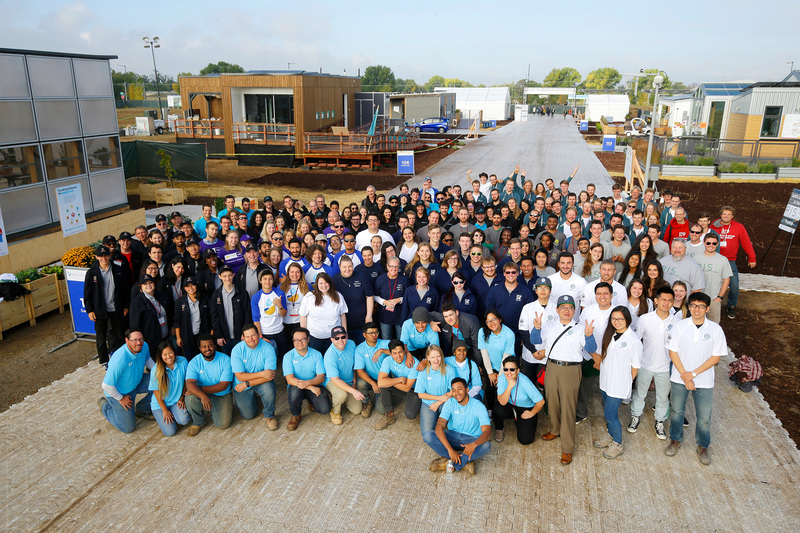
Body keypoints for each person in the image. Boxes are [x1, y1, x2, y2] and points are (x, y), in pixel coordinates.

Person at [531, 295, 598, 465]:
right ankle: (554, 429)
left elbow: (591, 349)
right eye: (563, 308)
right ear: (557, 310)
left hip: (571, 369)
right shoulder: (550, 326)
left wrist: (589, 336)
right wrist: (536, 328)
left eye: (570, 308)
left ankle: (567, 448)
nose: (566, 311)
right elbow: (535, 341)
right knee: (552, 401)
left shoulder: (580, 328)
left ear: (574, 311)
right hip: (552, 367)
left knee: (568, 407)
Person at [664, 292, 728, 465]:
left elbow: (716, 358)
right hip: (679, 378)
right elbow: (673, 352)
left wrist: (692, 375)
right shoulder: (679, 327)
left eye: (700, 306)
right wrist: (685, 376)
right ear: (688, 307)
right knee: (677, 411)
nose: (696, 309)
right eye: (693, 305)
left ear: (707, 309)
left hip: (704, 381)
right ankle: (675, 440)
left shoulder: (715, 330)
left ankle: (703, 445)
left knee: (704, 416)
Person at [592, 306, 642, 459]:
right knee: (607, 411)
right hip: (606, 381)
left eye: (620, 319)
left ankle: (618, 443)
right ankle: (610, 435)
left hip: (618, 384)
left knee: (610, 414)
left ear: (627, 320)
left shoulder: (633, 341)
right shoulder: (610, 334)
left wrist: (627, 382)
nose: (617, 322)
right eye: (614, 319)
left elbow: (636, 366)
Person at [630, 286, 679, 440]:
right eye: (663, 300)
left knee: (663, 398)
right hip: (645, 364)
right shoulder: (645, 319)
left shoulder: (677, 322)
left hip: (665, 367)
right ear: (656, 301)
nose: (666, 303)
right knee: (640, 394)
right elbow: (636, 340)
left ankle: (660, 422)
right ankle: (635, 417)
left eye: (670, 300)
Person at [423, 377, 492, 476]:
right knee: (428, 435)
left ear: (467, 390)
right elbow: (439, 427)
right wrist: (450, 450)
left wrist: (474, 444)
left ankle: (450, 463)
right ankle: (463, 462)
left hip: (470, 439)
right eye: (454, 390)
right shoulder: (450, 403)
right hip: (453, 436)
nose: (457, 393)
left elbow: (487, 432)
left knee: (486, 445)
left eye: (460, 389)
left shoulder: (478, 406)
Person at [98, 329, 155, 433]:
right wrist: (120, 398)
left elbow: (148, 360)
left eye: (141, 339)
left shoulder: (144, 346)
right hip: (121, 393)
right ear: (127, 341)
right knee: (127, 428)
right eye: (135, 340)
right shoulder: (120, 360)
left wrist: (159, 374)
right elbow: (106, 385)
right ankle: (105, 406)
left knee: (162, 382)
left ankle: (142, 408)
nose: (139, 343)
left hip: (137, 381)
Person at [85, 245, 130, 369]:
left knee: (119, 335)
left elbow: (125, 290)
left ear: (110, 256)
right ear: (96, 257)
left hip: (116, 308)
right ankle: (104, 361)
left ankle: (120, 358)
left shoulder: (117, 270)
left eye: (106, 255)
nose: (104, 258)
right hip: (100, 310)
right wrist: (90, 310)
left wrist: (125, 306)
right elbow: (87, 293)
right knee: (101, 337)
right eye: (101, 256)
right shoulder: (92, 273)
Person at [283, 327, 332, 430]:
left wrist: (308, 384)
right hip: (297, 386)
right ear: (293, 341)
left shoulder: (316, 354)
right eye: (296, 340)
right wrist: (309, 387)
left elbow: (321, 377)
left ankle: (311, 400)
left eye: (303, 339)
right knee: (295, 391)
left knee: (325, 409)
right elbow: (290, 379)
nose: (299, 342)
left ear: (308, 339)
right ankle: (295, 415)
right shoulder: (288, 356)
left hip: (314, 383)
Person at [230, 324, 278, 429]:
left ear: (258, 334)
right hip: (241, 384)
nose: (250, 339)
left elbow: (270, 376)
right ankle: (255, 398)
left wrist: (247, 384)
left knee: (269, 391)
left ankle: (269, 415)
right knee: (249, 416)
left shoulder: (268, 348)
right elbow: (240, 377)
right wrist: (262, 373)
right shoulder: (237, 350)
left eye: (253, 335)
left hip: (252, 383)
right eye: (247, 336)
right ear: (243, 337)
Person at [184, 334, 234, 436]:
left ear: (214, 346)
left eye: (210, 345)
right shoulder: (194, 362)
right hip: (203, 393)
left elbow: (223, 385)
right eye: (204, 346)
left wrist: (200, 389)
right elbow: (189, 384)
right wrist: (202, 395)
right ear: (199, 348)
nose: (207, 349)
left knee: (223, 425)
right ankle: (198, 422)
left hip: (222, 394)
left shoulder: (226, 360)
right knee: (190, 397)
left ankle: (215, 408)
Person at [494, 356, 545, 445]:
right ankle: (499, 428)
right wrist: (509, 387)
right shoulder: (502, 379)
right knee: (498, 409)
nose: (508, 372)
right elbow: (502, 401)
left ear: (518, 370)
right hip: (510, 405)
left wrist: (532, 413)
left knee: (526, 440)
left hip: (525, 407)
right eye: (506, 369)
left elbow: (541, 402)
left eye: (512, 369)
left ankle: (521, 418)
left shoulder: (525, 381)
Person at [376, 339, 421, 429]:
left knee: (410, 415)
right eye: (394, 353)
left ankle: (421, 404)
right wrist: (398, 380)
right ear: (390, 353)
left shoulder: (413, 363)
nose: (398, 356)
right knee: (384, 386)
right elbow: (380, 383)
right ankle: (389, 415)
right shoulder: (387, 360)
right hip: (400, 384)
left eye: (400, 352)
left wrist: (389, 380)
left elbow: (407, 387)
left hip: (414, 390)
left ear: (404, 351)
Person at [299, 272, 348, 354]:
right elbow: (303, 316)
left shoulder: (338, 296)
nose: (324, 285)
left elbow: (342, 315)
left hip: (334, 337)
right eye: (321, 283)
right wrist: (304, 335)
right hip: (314, 337)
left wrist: (344, 333)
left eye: (326, 283)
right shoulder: (309, 297)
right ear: (317, 284)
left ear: (330, 283)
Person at [149, 341, 190, 437]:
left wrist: (182, 397)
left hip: (176, 401)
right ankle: (164, 416)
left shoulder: (183, 361)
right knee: (170, 432)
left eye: (170, 353)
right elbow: (156, 391)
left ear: (174, 352)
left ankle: (175, 414)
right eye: (165, 355)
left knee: (184, 421)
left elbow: (186, 381)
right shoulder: (156, 369)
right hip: (160, 405)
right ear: (160, 356)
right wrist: (165, 411)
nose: (168, 357)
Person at [210, 266, 253, 356]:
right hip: (225, 338)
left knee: (243, 359)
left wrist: (245, 333)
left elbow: (248, 314)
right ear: (220, 276)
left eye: (229, 275)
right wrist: (219, 336)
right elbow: (214, 317)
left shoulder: (242, 292)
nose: (227, 278)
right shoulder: (216, 295)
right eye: (224, 276)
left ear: (234, 275)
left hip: (240, 336)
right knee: (229, 362)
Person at [413, 345, 456, 434]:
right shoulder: (423, 372)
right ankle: (435, 419)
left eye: (438, 356)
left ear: (442, 357)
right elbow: (420, 394)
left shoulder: (449, 370)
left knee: (450, 415)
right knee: (427, 434)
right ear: (428, 358)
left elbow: (453, 391)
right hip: (428, 403)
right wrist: (440, 398)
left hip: (445, 401)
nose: (436, 360)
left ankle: (447, 423)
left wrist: (438, 402)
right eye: (433, 357)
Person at [332, 256, 373, 345]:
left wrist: (369, 316)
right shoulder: (334, 281)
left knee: (363, 349)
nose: (348, 269)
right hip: (343, 325)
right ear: (340, 267)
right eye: (344, 267)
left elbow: (369, 296)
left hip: (361, 323)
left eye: (350, 266)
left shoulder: (361, 277)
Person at [129, 274, 171, 358]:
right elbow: (134, 326)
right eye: (145, 284)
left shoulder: (161, 295)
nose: (148, 285)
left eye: (150, 282)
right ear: (141, 286)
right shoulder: (137, 303)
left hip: (165, 339)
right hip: (151, 343)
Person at [695, 234, 732, 323]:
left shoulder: (723, 260)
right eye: (708, 243)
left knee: (714, 324)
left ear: (717, 244)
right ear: (704, 243)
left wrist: (719, 297)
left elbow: (726, 279)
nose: (711, 245)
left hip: (714, 298)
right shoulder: (696, 258)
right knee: (697, 323)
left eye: (714, 243)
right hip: (698, 298)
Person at [173, 276, 211, 360]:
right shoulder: (180, 302)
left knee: (204, 359)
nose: (190, 288)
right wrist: (178, 337)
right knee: (190, 359)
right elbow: (177, 321)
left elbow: (211, 317)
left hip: (202, 335)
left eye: (193, 285)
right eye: (187, 286)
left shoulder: (205, 299)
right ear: (184, 288)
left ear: (196, 286)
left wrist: (211, 334)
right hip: (187, 336)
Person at [374, 257, 408, 340]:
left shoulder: (404, 280)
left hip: (400, 315)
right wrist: (384, 302)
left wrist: (399, 299)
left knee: (401, 339)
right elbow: (374, 296)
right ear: (387, 266)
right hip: (385, 315)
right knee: (386, 339)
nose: (394, 269)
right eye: (391, 266)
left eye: (396, 266)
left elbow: (408, 296)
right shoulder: (380, 279)